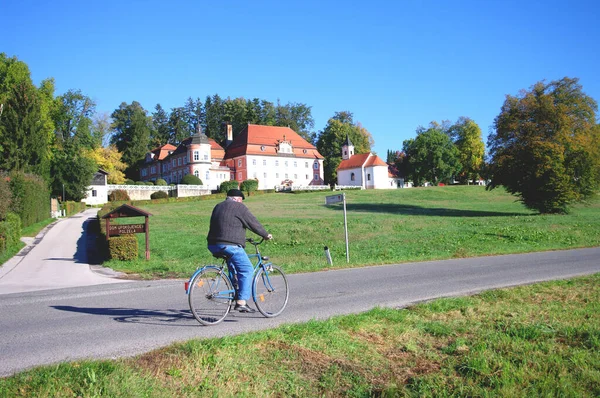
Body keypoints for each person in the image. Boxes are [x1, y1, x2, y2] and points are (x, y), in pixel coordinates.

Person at [207, 189, 272, 313]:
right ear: (236, 199)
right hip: (230, 245)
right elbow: (253, 223)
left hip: (213, 244)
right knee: (246, 269)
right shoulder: (238, 207)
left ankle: (235, 292)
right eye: (241, 200)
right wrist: (265, 235)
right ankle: (241, 302)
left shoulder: (218, 206)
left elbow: (225, 224)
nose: (241, 203)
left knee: (233, 268)